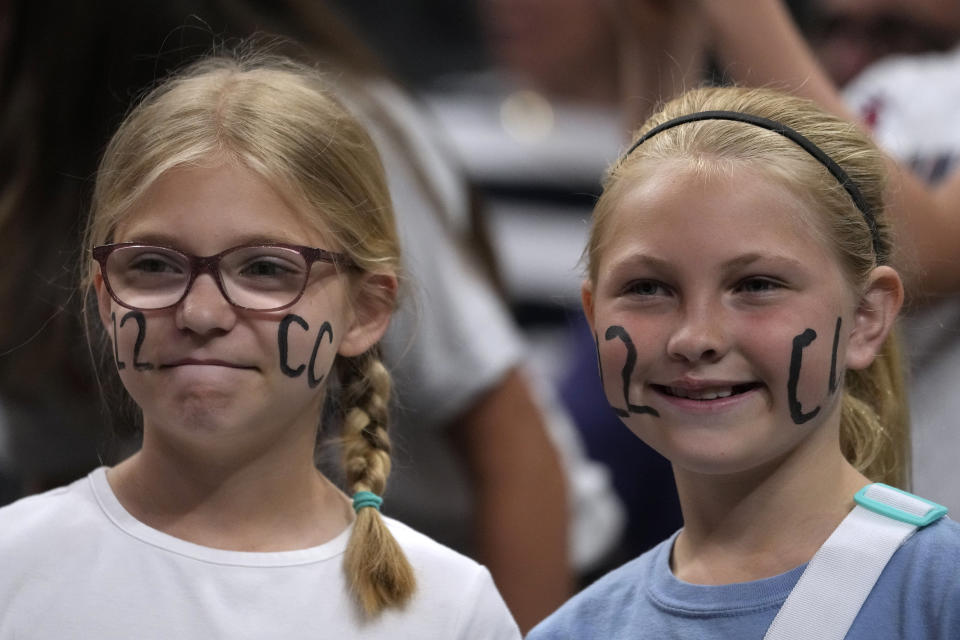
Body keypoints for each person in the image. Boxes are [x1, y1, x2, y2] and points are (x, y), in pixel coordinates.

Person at [0, 54, 521, 638]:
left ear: (367, 310)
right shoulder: (13, 566)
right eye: (152, 264)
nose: (200, 313)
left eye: (267, 269)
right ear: (104, 295)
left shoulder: (447, 610)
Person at [527, 86, 960, 638]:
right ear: (593, 317)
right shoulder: (575, 631)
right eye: (648, 288)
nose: (696, 337)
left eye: (757, 285)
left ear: (866, 318)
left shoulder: (939, 595)